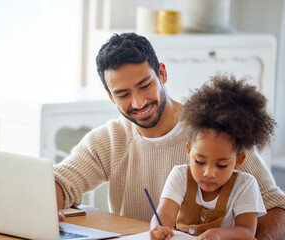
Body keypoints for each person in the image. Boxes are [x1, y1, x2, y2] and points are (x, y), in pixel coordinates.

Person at [53, 32, 285, 239]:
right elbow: (62, 181)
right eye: (123, 94)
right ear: (111, 97)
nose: (139, 102)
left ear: (162, 74)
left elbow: (274, 205)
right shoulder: (111, 139)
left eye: (145, 85)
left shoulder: (215, 131)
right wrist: (47, 206)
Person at [150, 75, 271, 240]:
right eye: (199, 161)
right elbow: (164, 213)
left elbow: (247, 232)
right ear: (188, 150)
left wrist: (220, 234)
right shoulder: (179, 176)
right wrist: (158, 228)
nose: (208, 173)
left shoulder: (245, 185)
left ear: (238, 161)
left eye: (221, 165)